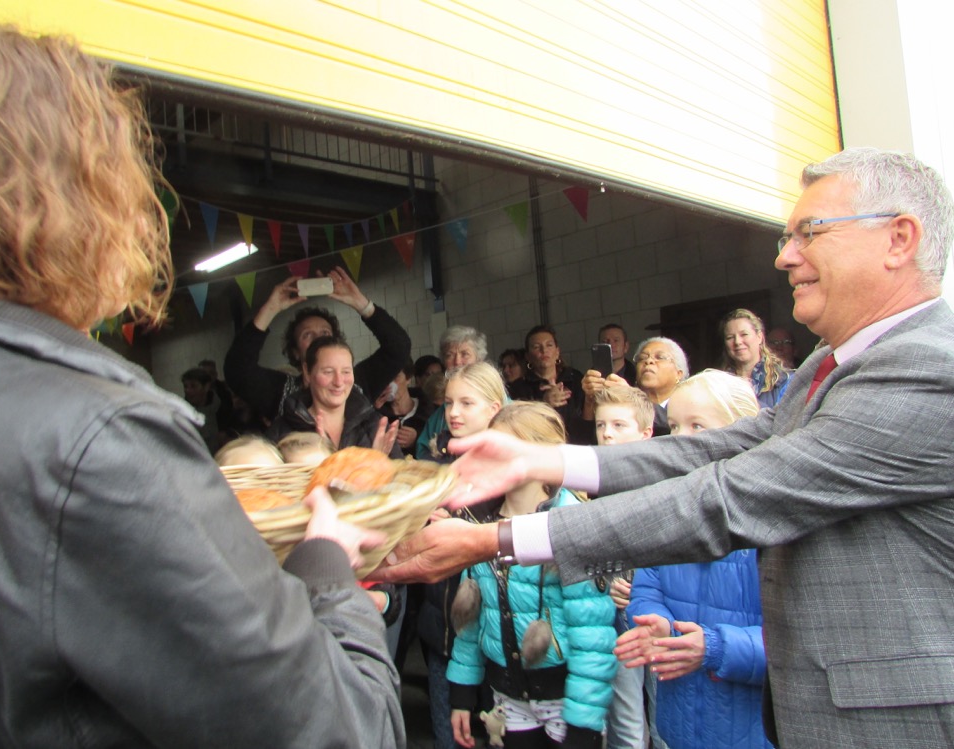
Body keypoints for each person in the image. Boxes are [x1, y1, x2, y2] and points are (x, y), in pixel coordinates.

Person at [376, 147, 954, 747]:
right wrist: (541, 459)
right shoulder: (829, 366)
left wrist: (495, 540)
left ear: (898, 239)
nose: (785, 256)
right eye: (787, 237)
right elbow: (716, 451)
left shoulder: (925, 371)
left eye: (809, 232)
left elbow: (728, 495)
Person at [0, 19, 402, 748]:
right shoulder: (103, 439)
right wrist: (323, 568)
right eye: (322, 364)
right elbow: (337, 727)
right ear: (89, 198)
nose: (336, 375)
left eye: (343, 367)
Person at [448, 401, 617, 749]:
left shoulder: (572, 521)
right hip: (507, 694)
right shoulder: (480, 520)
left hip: (564, 696)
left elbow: (593, 635)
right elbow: (471, 609)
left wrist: (584, 723)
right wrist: (463, 690)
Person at [621, 370, 769, 749]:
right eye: (674, 426)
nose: (680, 441)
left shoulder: (772, 524)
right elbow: (648, 587)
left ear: (745, 431)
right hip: (679, 727)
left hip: (755, 733)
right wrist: (657, 626)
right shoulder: (668, 515)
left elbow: (799, 642)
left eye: (697, 426)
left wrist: (716, 648)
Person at [419, 362, 508, 749]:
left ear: (494, 407)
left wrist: (470, 534)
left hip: (501, 634)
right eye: (449, 402)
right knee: (450, 736)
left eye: (466, 403)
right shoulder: (432, 470)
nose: (453, 412)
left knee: (500, 734)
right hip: (443, 630)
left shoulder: (516, 472)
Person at [223, 267, 411, 425]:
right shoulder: (280, 392)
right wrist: (270, 309)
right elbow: (237, 370)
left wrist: (360, 303)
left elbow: (398, 347)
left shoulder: (357, 382)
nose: (318, 339)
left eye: (325, 333)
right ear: (296, 353)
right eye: (307, 335)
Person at [591, 387, 666, 749]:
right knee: (623, 720)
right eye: (601, 424)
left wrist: (643, 586)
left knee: (653, 717)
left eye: (619, 425)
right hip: (609, 619)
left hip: (655, 619)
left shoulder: (664, 489)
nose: (607, 433)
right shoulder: (590, 489)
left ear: (646, 433)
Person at [267, 336, 402, 457]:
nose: (338, 382)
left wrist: (378, 464)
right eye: (328, 372)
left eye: (346, 371)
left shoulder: (374, 425)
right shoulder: (281, 431)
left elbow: (402, 479)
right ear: (307, 372)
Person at [415, 326, 489, 458]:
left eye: (465, 354)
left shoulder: (496, 399)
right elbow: (423, 453)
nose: (457, 362)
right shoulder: (438, 417)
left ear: (479, 359)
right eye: (450, 355)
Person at [507, 325, 586, 443]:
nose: (544, 351)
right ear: (528, 357)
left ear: (557, 352)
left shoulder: (575, 378)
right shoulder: (518, 388)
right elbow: (516, 427)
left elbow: (586, 417)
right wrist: (544, 404)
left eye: (549, 345)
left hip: (577, 447)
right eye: (536, 347)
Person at [719, 308, 793, 408]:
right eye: (730, 337)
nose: (737, 342)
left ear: (759, 337)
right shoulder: (718, 385)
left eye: (744, 334)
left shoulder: (785, 379)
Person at [376, 359, 436, 456]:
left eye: (395, 377)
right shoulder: (377, 413)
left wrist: (417, 439)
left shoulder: (426, 409)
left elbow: (440, 444)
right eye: (385, 378)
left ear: (408, 379)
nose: (389, 384)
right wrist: (373, 410)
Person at [181, 366, 224, 452]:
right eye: (186, 386)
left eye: (193, 386)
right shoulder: (182, 412)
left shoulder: (222, 409)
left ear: (206, 387)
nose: (188, 390)